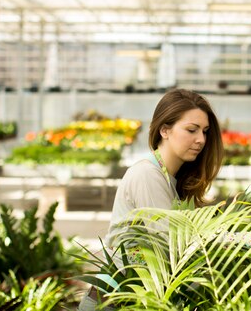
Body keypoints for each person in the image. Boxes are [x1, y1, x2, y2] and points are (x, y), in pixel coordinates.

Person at [78, 88, 225, 311]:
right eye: (191, 130)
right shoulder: (147, 174)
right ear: (164, 130)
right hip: (111, 303)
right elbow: (172, 248)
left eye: (205, 131)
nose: (201, 139)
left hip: (135, 299)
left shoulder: (172, 179)